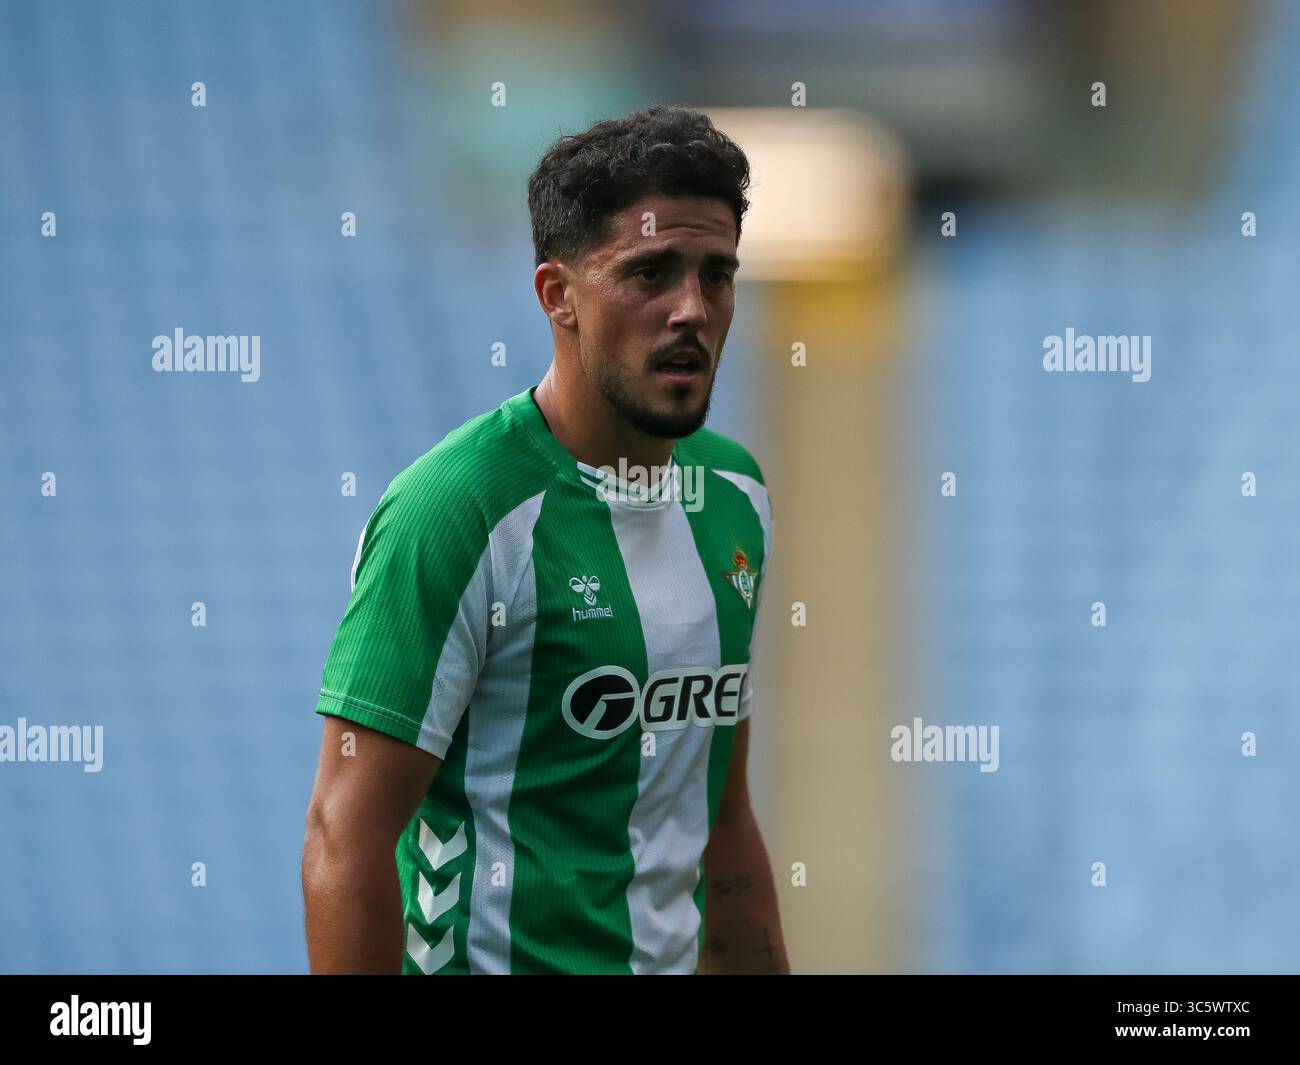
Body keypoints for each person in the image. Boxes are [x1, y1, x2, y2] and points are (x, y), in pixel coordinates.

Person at [302, 105, 788, 974]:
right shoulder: (456, 508)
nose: (691, 310)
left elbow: (719, 816)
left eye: (718, 276)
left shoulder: (737, 497)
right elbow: (348, 828)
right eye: (649, 274)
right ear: (557, 295)